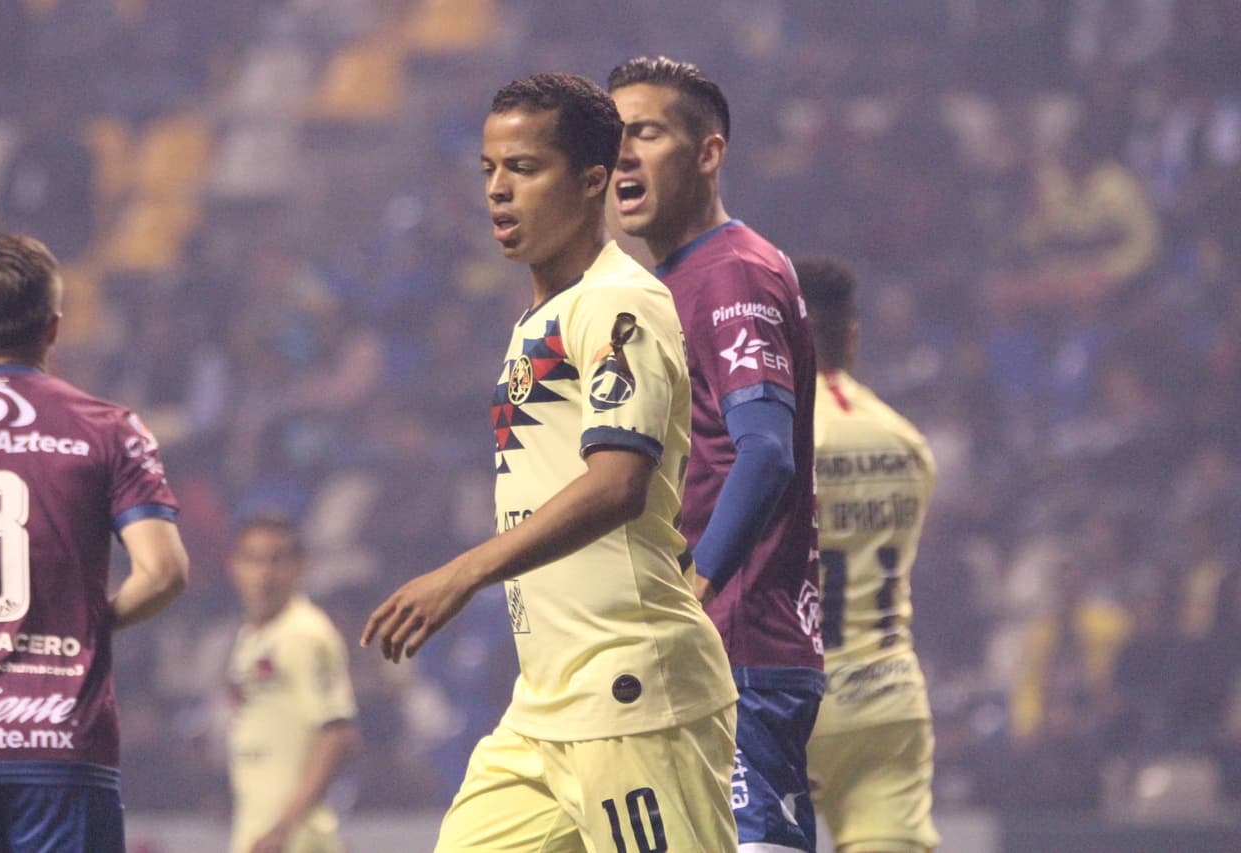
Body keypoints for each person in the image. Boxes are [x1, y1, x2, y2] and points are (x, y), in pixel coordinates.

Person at [361, 72, 739, 852]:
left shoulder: (617, 302)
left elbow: (617, 484)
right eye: (490, 171)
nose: (499, 191)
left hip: (634, 692)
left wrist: (463, 571)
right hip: (544, 705)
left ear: (593, 181)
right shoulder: (544, 316)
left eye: (525, 169)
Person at [608, 56, 823, 852]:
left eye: (648, 133)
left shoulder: (730, 273)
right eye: (615, 134)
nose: (623, 153)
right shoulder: (679, 277)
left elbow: (764, 453)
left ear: (708, 153)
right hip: (731, 647)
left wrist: (692, 592)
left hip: (732, 643)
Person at [0, 234, 189, 852]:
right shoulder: (107, 428)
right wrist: (90, 621)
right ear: (54, 328)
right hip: (59, 739)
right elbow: (164, 573)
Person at [797, 256, 941, 853]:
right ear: (851, 335)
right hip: (890, 698)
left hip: (792, 703)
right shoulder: (908, 442)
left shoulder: (772, 436)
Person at [226, 512, 359, 853]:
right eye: (253, 560)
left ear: (302, 566)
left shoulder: (306, 632)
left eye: (278, 560)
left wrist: (285, 826)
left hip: (295, 838)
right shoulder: (251, 637)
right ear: (234, 568)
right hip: (257, 829)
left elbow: (337, 732)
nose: (265, 574)